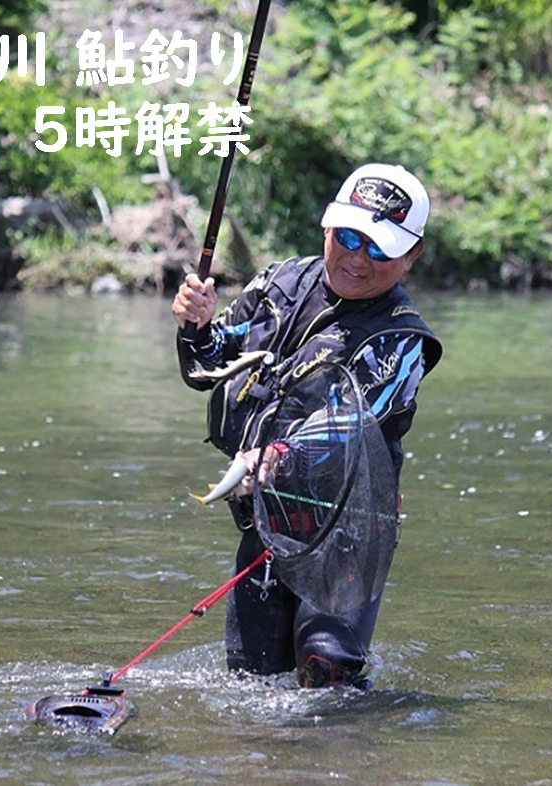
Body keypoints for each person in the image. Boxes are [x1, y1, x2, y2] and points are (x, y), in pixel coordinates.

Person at [171, 163, 444, 688]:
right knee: (250, 688)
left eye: (379, 248)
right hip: (265, 527)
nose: (357, 258)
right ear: (327, 227)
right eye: (348, 237)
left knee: (330, 680)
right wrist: (197, 324)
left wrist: (275, 457)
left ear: (412, 256)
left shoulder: (402, 339)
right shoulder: (281, 282)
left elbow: (348, 423)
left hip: (347, 538)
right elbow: (209, 366)